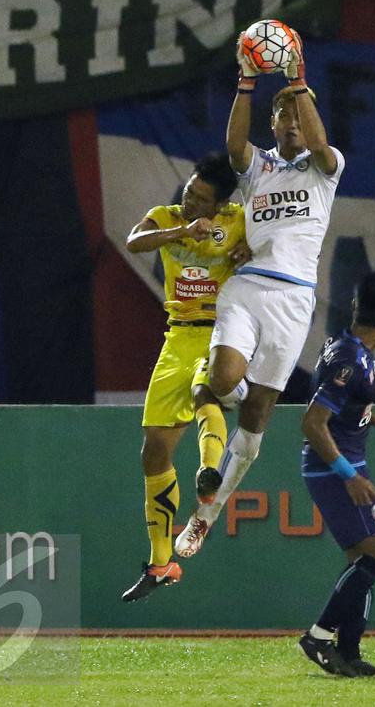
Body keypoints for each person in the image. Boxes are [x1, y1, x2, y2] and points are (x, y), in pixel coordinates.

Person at [175, 28, 347, 557]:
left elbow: (319, 144)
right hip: (247, 290)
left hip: (294, 302)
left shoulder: (327, 168)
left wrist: (298, 81)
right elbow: (233, 147)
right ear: (273, 124)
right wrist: (247, 83)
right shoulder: (260, 169)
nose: (293, 123)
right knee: (225, 379)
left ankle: (206, 514)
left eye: (300, 115)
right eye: (285, 116)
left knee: (254, 423)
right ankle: (226, 386)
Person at [120, 153, 250, 602]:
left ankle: (210, 473)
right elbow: (135, 240)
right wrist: (181, 230)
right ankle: (161, 565)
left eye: (200, 198)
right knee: (153, 452)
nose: (190, 200)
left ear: (220, 205)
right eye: (189, 191)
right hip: (176, 338)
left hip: (222, 332)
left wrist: (253, 248)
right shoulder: (168, 218)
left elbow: (280, 245)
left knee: (205, 391)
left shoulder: (239, 219)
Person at [297, 272, 375, 677]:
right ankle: (318, 637)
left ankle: (348, 653)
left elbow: (344, 408)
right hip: (331, 466)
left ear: (355, 307)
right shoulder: (351, 359)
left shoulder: (348, 347)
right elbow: (314, 423)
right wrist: (348, 474)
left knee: (360, 559)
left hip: (344, 461)